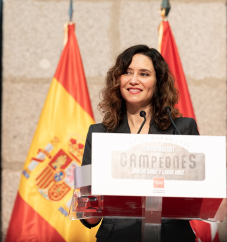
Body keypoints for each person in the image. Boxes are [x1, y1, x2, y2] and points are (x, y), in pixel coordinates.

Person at [81, 44, 198, 241]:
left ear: (158, 82)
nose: (133, 80)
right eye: (127, 72)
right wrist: (91, 200)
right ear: (118, 79)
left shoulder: (182, 129)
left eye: (144, 74)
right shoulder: (99, 134)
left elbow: (197, 198)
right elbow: (90, 217)